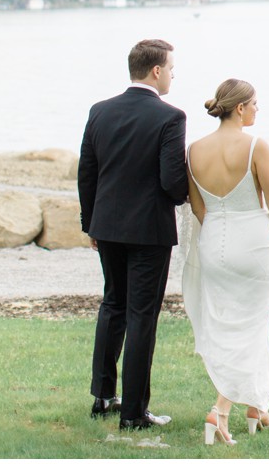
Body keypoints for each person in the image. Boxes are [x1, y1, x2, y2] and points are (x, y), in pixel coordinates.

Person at [78, 38, 188, 430]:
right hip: (149, 232)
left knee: (113, 306)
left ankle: (103, 396)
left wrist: (89, 222)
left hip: (106, 227)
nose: (174, 74)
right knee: (142, 316)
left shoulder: (100, 111)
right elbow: (173, 183)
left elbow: (87, 172)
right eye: (172, 68)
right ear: (156, 71)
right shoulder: (170, 118)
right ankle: (134, 413)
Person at [182, 78, 269, 446]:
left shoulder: (193, 150)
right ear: (239, 108)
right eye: (255, 103)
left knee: (234, 324)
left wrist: (214, 240)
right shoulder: (257, 146)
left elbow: (197, 207)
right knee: (253, 327)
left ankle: (257, 406)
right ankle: (221, 409)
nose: (258, 109)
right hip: (254, 243)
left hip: (214, 242)